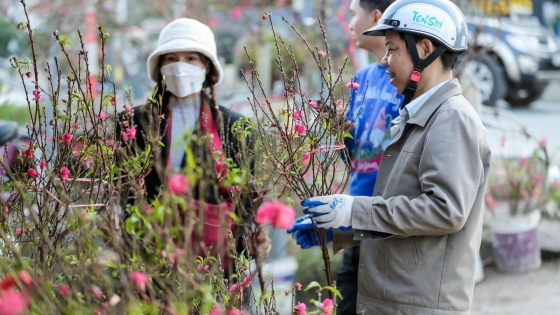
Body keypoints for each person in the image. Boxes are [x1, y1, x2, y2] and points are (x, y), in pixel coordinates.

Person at [288, 0, 491, 314]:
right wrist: (339, 227)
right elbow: (403, 212)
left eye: (392, 49)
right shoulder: (419, 116)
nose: (383, 62)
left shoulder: (451, 119)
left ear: (425, 49)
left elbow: (445, 210)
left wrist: (355, 210)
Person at [118, 18, 271, 273]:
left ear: (207, 68)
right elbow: (119, 190)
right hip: (148, 263)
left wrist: (252, 241)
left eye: (191, 58)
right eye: (171, 59)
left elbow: (245, 200)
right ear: (160, 68)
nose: (180, 67)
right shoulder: (133, 123)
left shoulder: (234, 126)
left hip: (212, 269)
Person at [337, 1, 401, 314]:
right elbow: (354, 156)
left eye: (353, 13)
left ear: (377, 16)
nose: (349, 22)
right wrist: (341, 138)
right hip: (356, 211)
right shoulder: (360, 80)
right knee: (348, 295)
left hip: (389, 215)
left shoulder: (403, 81)